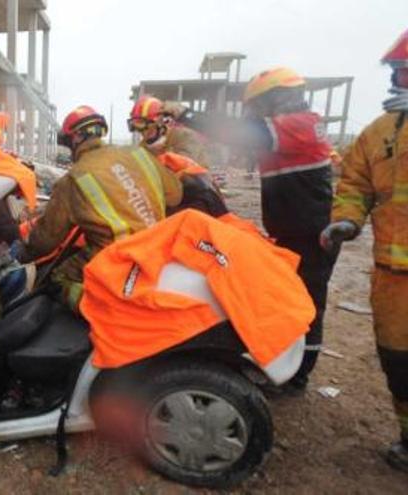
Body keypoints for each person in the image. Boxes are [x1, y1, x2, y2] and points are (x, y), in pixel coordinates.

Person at [168, 68, 337, 393]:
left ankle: (298, 375)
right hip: (297, 231)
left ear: (276, 99)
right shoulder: (293, 126)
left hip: (311, 234)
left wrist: (187, 115)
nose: (255, 113)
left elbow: (239, 133)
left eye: (258, 106)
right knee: (289, 297)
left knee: (309, 303)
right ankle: (286, 365)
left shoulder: (297, 125)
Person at [320, 28, 408, 472]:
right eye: (396, 73)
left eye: (405, 73)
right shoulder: (379, 133)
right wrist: (348, 219)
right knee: (399, 362)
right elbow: (354, 182)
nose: (397, 82)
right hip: (392, 275)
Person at [18, 105, 182, 310]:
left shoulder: (74, 179)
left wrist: (22, 255)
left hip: (119, 260)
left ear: (76, 139)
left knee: (58, 278)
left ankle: (104, 311)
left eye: (69, 144)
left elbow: (47, 239)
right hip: (161, 248)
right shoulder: (139, 154)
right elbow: (175, 195)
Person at [128, 95, 211, 165]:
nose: (144, 133)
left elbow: (185, 167)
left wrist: (158, 156)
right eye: (139, 129)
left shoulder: (184, 137)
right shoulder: (143, 147)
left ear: (161, 122)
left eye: (148, 128)